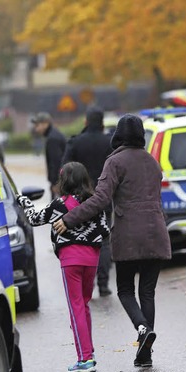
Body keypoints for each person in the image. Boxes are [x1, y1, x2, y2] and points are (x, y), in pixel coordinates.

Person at [53, 114, 172, 368]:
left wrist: (70, 218)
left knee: (125, 290)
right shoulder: (152, 162)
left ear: (118, 135)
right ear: (140, 135)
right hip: (157, 233)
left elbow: (99, 200)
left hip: (129, 235)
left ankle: (142, 328)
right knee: (147, 292)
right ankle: (145, 354)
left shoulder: (115, 162)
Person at [17, 162, 110, 372]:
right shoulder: (93, 204)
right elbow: (104, 229)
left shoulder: (58, 204)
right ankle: (89, 352)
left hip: (70, 260)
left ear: (64, 181)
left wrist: (24, 201)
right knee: (83, 304)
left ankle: (85, 359)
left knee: (75, 306)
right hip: (91, 259)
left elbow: (33, 219)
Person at [62, 105, 114, 297]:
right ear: (101, 123)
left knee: (82, 241)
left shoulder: (75, 143)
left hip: (79, 201)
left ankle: (87, 286)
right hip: (103, 198)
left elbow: (65, 170)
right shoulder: (109, 142)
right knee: (104, 241)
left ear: (85, 122)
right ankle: (103, 284)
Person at [31, 112, 66, 199]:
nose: (36, 129)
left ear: (45, 124)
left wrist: (55, 183)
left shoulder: (53, 139)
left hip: (60, 183)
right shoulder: (53, 135)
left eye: (37, 125)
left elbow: (56, 162)